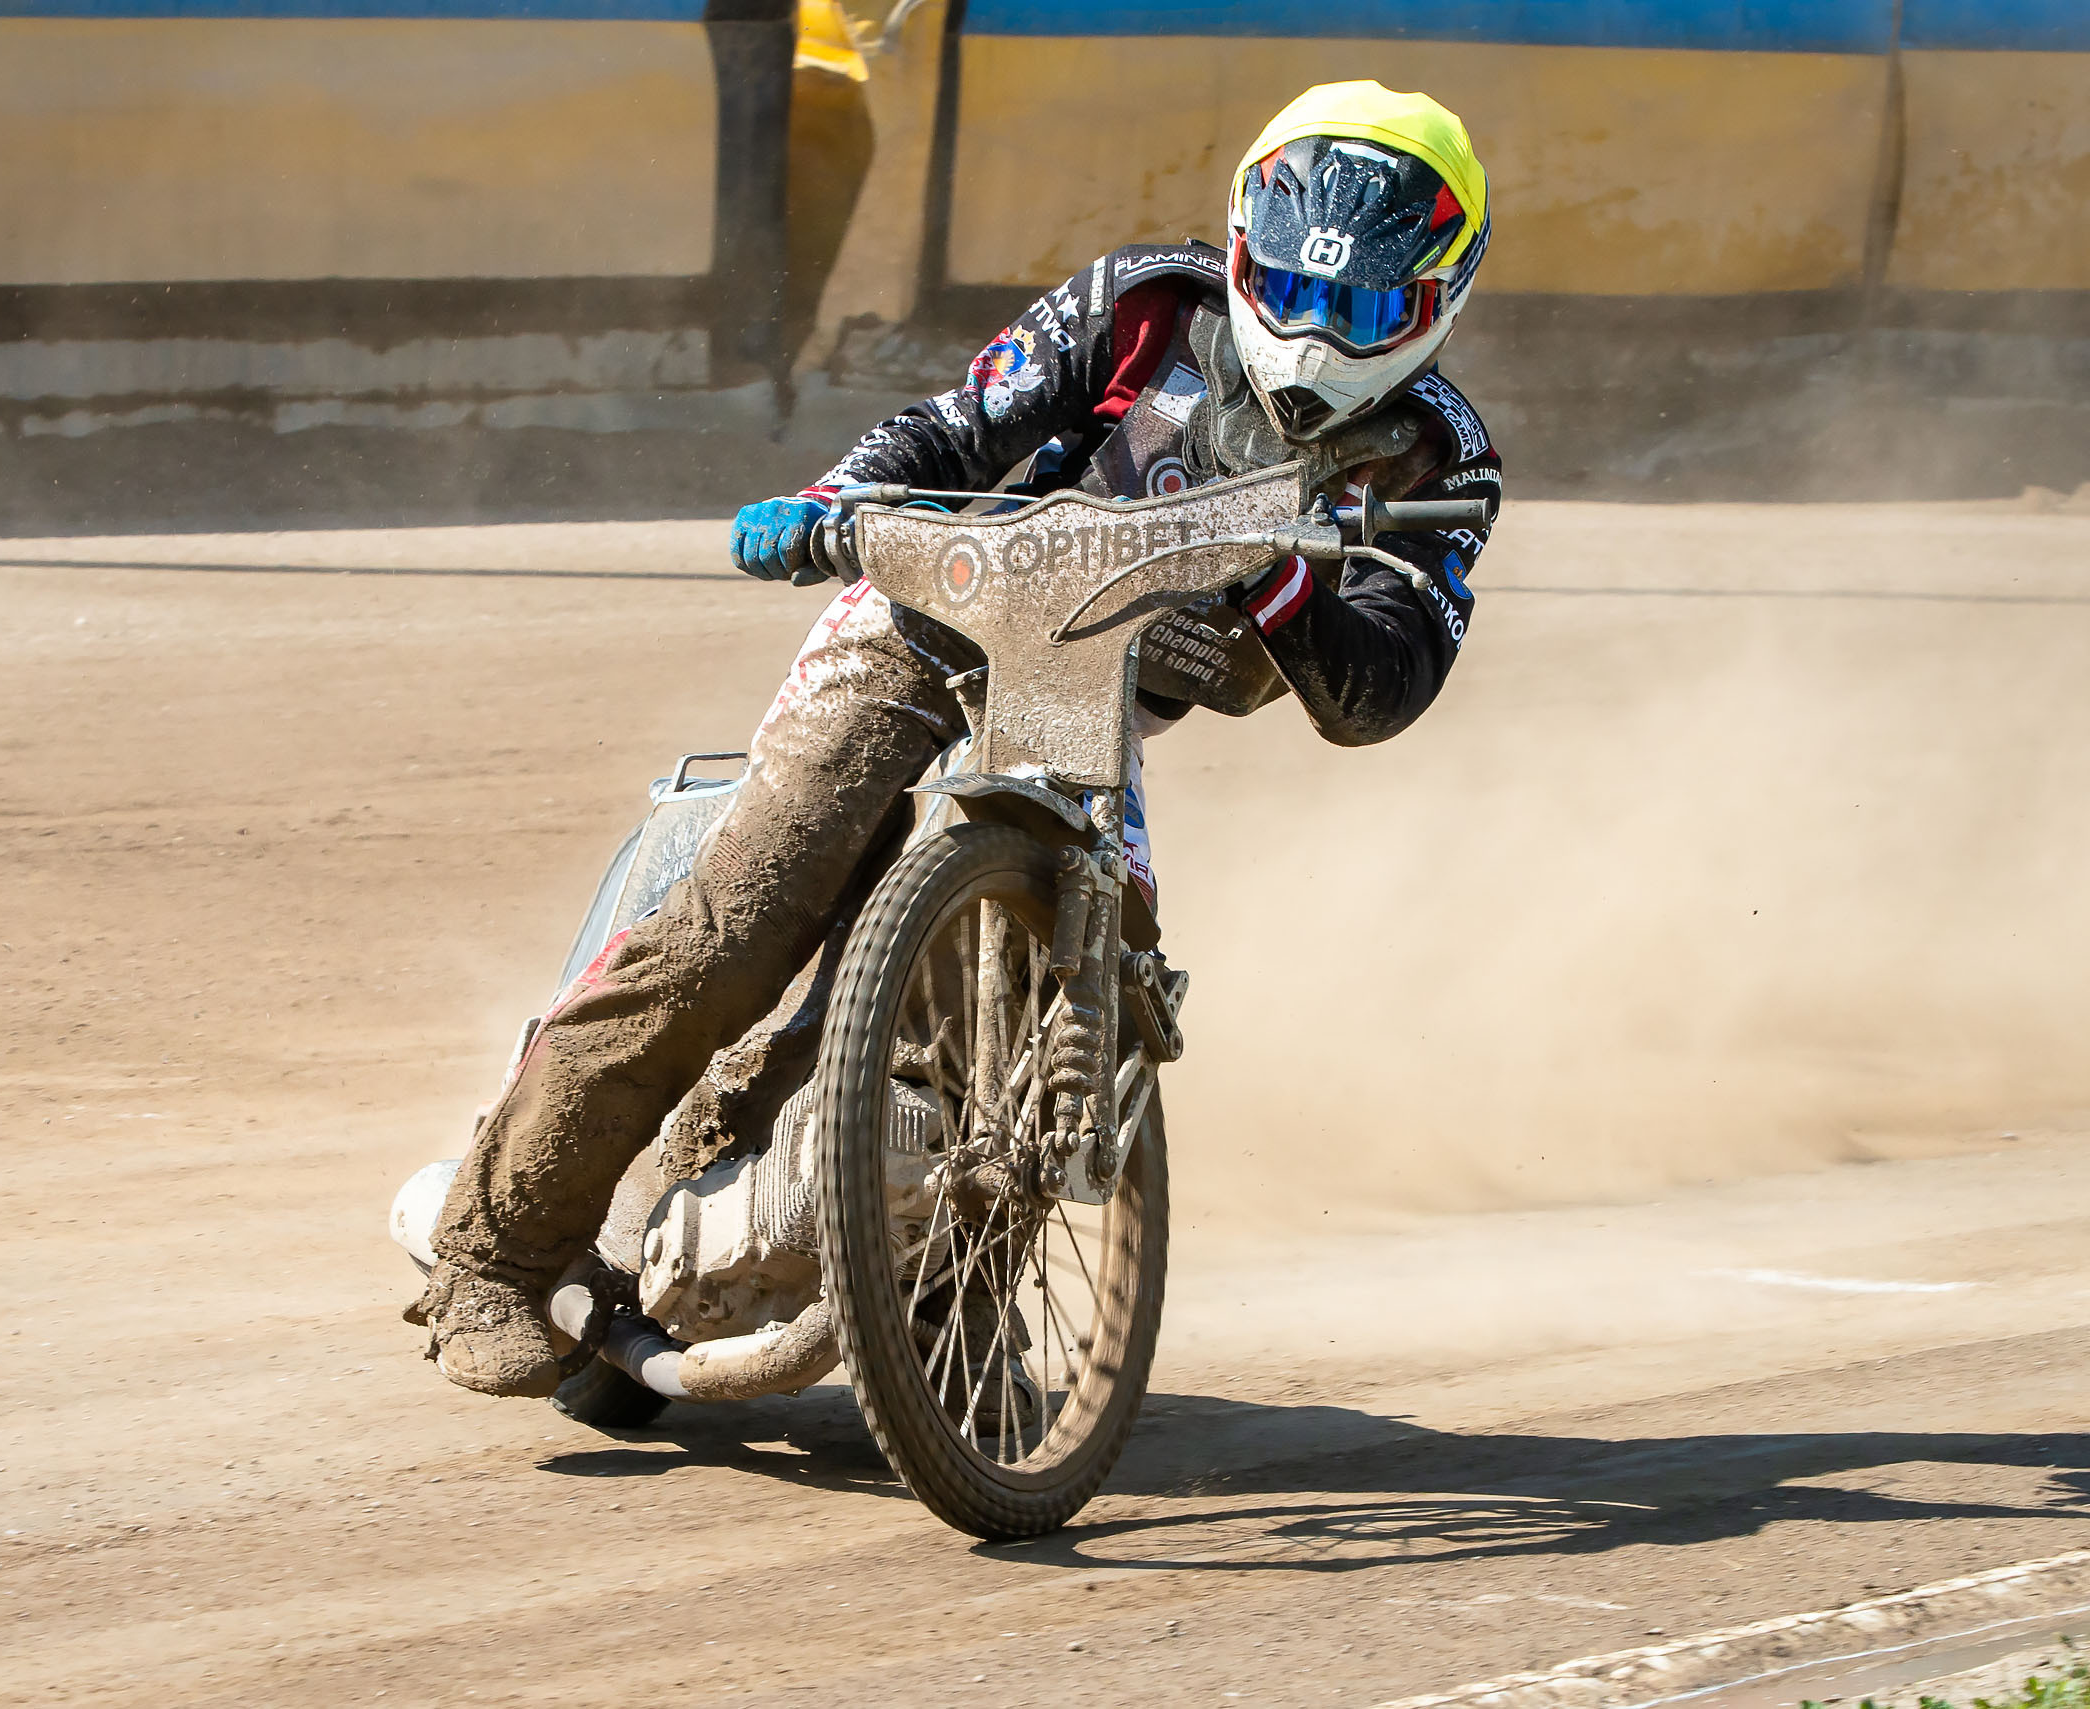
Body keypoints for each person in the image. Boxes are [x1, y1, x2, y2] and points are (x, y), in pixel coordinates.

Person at [408, 80, 1504, 1396]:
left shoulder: (1440, 457)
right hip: (930, 614)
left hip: (1084, 699)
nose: (1321, 339)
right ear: (1240, 254)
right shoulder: (1146, 305)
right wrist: (836, 500)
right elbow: (958, 420)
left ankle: (927, 1310)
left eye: (1368, 311)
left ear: (1442, 298)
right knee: (745, 919)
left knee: (1022, 1006)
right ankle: (496, 1246)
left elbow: (1382, 685)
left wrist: (1272, 579)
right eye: (1292, 289)